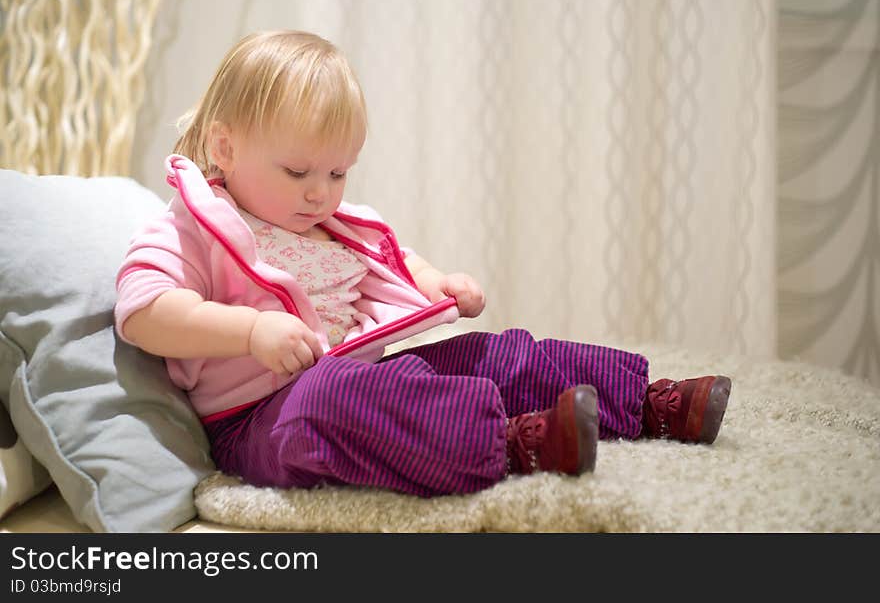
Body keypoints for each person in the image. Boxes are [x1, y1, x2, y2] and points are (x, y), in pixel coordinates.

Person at [115, 30, 732, 497]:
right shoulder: (194, 225)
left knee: (489, 353)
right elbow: (144, 310)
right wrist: (249, 331)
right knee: (333, 399)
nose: (319, 192)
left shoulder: (327, 223)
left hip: (364, 371)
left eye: (337, 172)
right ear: (226, 146)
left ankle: (644, 402)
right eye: (298, 171)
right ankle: (514, 443)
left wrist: (437, 281)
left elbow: (391, 259)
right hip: (260, 421)